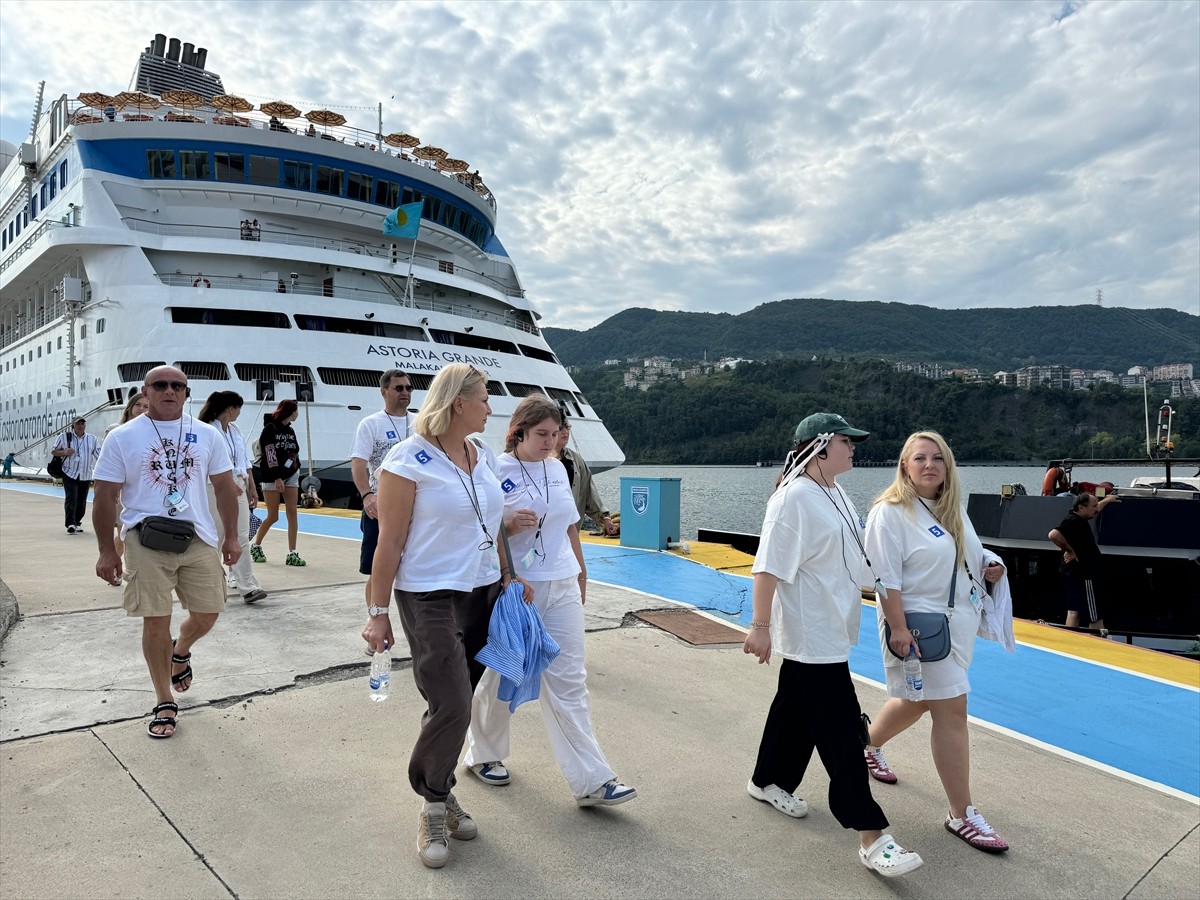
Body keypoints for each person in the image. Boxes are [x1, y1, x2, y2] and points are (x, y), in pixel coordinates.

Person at [743, 412, 923, 879]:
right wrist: (760, 626)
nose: (853, 448)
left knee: (794, 712)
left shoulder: (835, 492)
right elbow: (767, 567)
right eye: (847, 441)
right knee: (843, 734)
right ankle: (871, 834)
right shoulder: (792, 499)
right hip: (811, 633)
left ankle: (767, 779)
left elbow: (856, 560)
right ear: (820, 447)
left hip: (832, 628)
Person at [363, 363, 527, 870]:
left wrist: (509, 574)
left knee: (451, 703)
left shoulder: (483, 456)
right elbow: (389, 541)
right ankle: (434, 804)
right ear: (459, 403)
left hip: (483, 592)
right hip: (429, 596)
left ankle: (441, 788)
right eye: (484, 399)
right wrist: (377, 613)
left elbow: (492, 526)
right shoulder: (407, 459)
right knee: (454, 703)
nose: (490, 407)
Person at [464, 395, 637, 808]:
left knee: (570, 679)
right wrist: (508, 527)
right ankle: (482, 753)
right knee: (502, 674)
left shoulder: (558, 468)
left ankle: (592, 780)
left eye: (555, 434)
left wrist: (581, 572)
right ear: (518, 432)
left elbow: (570, 526)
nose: (550, 441)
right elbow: (479, 529)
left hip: (561, 583)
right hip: (518, 587)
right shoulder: (494, 470)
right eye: (541, 434)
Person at [861, 431, 1010, 853]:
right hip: (919, 629)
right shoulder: (890, 513)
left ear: (948, 466)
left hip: (954, 627)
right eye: (920, 458)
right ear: (905, 466)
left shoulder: (951, 509)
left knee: (919, 701)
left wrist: (990, 563)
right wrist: (898, 629)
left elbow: (965, 555)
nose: (929, 465)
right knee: (952, 710)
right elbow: (884, 579)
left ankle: (866, 745)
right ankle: (962, 814)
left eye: (937, 458)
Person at [91, 366, 242, 739]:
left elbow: (225, 487)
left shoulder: (207, 434)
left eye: (177, 385)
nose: (169, 391)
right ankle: (164, 700)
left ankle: (181, 649)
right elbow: (105, 496)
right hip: (145, 539)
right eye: (160, 385)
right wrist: (107, 551)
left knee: (208, 612)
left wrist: (231, 538)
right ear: (146, 391)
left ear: (187, 393)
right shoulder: (122, 437)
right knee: (155, 620)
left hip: (198, 536)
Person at [350, 369, 414, 619]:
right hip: (381, 508)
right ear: (384, 392)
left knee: (414, 567)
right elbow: (358, 464)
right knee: (378, 570)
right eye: (399, 388)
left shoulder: (420, 423)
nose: (405, 392)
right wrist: (367, 496)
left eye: (408, 388)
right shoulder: (371, 424)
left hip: (416, 507)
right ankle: (375, 618)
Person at [199, 391, 267, 604]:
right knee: (217, 535)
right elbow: (206, 462)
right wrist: (228, 483)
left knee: (241, 536)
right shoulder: (208, 430)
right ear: (231, 409)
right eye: (239, 408)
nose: (239, 412)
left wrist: (252, 486)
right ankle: (210, 584)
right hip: (215, 485)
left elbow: (244, 460)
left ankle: (247, 586)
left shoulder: (235, 430)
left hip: (239, 482)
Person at [1048, 491, 1118, 632]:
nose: (1096, 509)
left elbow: (1095, 509)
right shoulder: (1072, 521)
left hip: (1072, 574)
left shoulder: (1079, 518)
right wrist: (1069, 550)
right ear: (1081, 507)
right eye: (1093, 506)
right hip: (1086, 575)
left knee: (1074, 611)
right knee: (1095, 614)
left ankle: (1070, 639)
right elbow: (1053, 535)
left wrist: (1108, 500)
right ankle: (1096, 641)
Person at [250, 399, 305, 566]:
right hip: (272, 475)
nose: (297, 414)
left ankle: (292, 552)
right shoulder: (270, 428)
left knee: (292, 512)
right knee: (273, 515)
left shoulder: (290, 430)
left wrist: (294, 465)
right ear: (290, 412)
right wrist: (277, 477)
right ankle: (256, 545)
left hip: (291, 474)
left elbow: (295, 449)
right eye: (296, 411)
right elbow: (270, 453)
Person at [104, 392, 151, 559]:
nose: (141, 409)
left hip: (143, 489)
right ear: (130, 406)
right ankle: (117, 563)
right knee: (123, 532)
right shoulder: (115, 430)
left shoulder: (152, 432)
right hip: (121, 488)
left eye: (146, 406)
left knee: (139, 533)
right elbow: (107, 463)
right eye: (138, 405)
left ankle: (125, 564)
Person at [554, 422, 618, 536]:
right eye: (560, 428)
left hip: (570, 530)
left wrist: (605, 518)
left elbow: (588, 492)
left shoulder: (575, 459)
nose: (565, 432)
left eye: (567, 427)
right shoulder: (537, 459)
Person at [52, 417, 101, 534]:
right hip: (69, 472)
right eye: (78, 423)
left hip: (85, 473)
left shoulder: (92, 439)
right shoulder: (64, 437)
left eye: (82, 423)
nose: (80, 426)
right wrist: (64, 452)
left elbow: (99, 455)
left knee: (81, 500)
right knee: (71, 497)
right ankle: (70, 523)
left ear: (85, 425)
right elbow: (54, 451)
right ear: (72, 425)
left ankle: (77, 522)